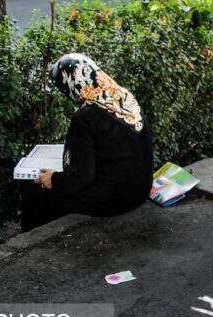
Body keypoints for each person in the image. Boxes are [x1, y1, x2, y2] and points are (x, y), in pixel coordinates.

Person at [20, 53, 153, 232]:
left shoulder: (85, 117)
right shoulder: (124, 98)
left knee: (35, 189)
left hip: (115, 199)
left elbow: (81, 176)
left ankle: (30, 244)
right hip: (140, 190)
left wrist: (54, 179)